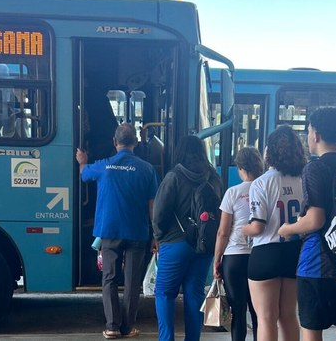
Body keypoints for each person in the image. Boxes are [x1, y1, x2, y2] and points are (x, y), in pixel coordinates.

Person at [277, 108, 336, 341]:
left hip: (318, 261)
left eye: (309, 130)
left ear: (316, 135)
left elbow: (315, 220)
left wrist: (287, 229)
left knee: (312, 328)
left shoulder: (315, 167)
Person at [76, 123, 159, 339]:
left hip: (110, 231)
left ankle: (112, 326)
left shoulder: (104, 166)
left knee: (109, 278)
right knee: (132, 281)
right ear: (136, 142)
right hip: (137, 232)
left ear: (115, 142)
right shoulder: (147, 169)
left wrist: (82, 161)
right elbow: (153, 206)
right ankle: (128, 327)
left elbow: (84, 174)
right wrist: (156, 235)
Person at [152, 135, 223, 341]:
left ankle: (166, 339)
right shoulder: (214, 178)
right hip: (204, 246)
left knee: (164, 293)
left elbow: (159, 213)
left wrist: (159, 236)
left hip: (175, 243)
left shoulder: (174, 176)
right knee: (194, 293)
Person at [243, 126, 305, 341]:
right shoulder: (302, 180)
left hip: (266, 253)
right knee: (289, 315)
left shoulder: (261, 183)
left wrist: (242, 228)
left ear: (269, 151)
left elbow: (257, 227)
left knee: (266, 318)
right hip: (295, 252)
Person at [213, 146, 262, 341]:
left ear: (240, 168)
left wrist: (217, 260)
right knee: (259, 311)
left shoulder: (232, 192)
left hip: (233, 258)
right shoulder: (266, 188)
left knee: (238, 311)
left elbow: (222, 232)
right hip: (259, 257)